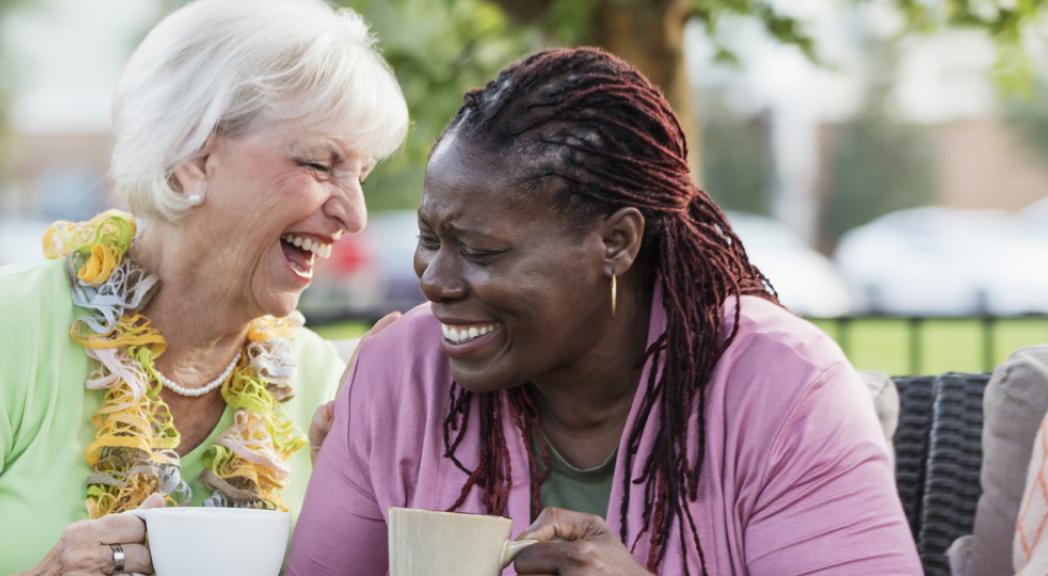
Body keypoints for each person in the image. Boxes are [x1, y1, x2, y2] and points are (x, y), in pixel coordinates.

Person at [0, 1, 407, 574]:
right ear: (194, 158)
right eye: (320, 164)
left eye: (361, 174)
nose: (353, 215)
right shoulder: (2, 330)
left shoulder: (315, 384)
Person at [287, 47, 920, 575]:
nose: (436, 281)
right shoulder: (403, 375)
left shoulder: (783, 392)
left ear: (616, 242)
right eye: (431, 240)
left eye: (481, 250)